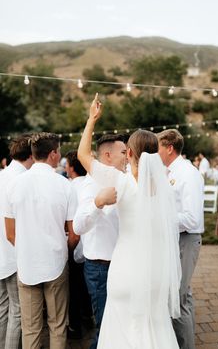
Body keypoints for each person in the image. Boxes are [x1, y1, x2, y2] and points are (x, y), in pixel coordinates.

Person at [77, 94, 181, 349]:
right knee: (153, 327)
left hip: (125, 270)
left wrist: (92, 119)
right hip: (154, 273)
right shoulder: (164, 188)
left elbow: (83, 155)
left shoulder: (121, 182)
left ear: (130, 152)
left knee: (120, 332)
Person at [4, 132, 78, 349]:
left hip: (26, 264)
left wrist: (29, 249)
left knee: (31, 328)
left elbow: (10, 233)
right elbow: (73, 234)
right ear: (54, 154)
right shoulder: (65, 185)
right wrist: (63, 252)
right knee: (57, 325)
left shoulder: (14, 185)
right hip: (56, 262)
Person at [73, 133, 127, 349]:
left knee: (118, 326)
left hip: (121, 265)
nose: (127, 156)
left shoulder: (120, 179)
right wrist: (98, 203)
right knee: (105, 328)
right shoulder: (91, 185)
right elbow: (78, 227)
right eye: (123, 152)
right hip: (100, 269)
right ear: (107, 155)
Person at [157, 129, 204, 349]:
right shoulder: (168, 171)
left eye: (158, 147)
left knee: (178, 300)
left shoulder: (187, 173)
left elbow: (192, 218)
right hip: (175, 239)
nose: (155, 152)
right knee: (183, 295)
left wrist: (160, 218)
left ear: (169, 148)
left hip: (186, 239)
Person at [0, 134, 33, 349]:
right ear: (31, 155)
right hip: (12, 252)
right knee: (18, 311)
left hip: (1, 251)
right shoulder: (21, 180)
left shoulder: (3, 175)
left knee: (2, 308)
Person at [65, 150, 93, 339]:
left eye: (67, 164)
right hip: (91, 247)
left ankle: (74, 327)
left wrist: (68, 248)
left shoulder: (69, 188)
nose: (65, 167)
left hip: (75, 245)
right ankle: (88, 316)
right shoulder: (91, 184)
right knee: (86, 287)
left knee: (73, 288)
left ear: (72, 168)